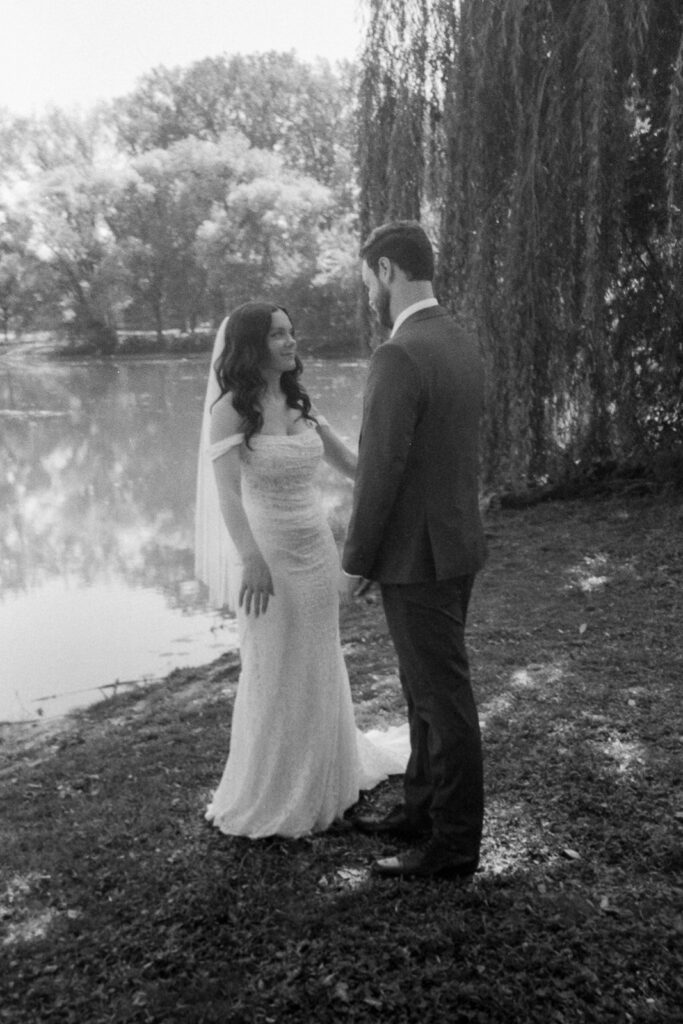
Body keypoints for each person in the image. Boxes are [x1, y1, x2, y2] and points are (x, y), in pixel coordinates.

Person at [194, 301, 407, 839]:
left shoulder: (298, 403)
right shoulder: (230, 411)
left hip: (315, 550)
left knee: (317, 657)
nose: (291, 342)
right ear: (250, 346)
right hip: (268, 556)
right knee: (274, 663)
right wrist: (251, 560)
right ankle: (277, 787)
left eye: (292, 332)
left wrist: (407, 458)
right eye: (278, 335)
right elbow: (226, 496)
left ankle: (328, 780)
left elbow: (356, 468)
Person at [344, 221, 487, 879]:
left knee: (443, 699)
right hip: (454, 545)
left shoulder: (398, 354)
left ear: (386, 271)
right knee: (421, 691)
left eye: (367, 276)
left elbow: (381, 469)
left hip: (417, 556)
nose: (368, 289)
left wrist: (356, 561)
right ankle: (419, 808)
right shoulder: (459, 341)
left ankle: (453, 844)